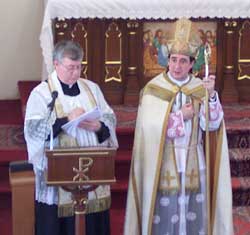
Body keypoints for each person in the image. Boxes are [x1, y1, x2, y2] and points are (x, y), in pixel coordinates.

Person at [124, 18, 233, 235]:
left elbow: (211, 126)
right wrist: (179, 116)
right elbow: (149, 129)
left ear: (192, 64)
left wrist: (211, 96)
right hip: (163, 160)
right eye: (173, 60)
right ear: (167, 60)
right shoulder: (154, 89)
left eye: (183, 61)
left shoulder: (199, 88)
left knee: (193, 213)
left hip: (194, 160)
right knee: (165, 214)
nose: (177, 66)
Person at [24, 40, 118, 235]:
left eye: (78, 67)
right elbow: (33, 130)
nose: (75, 73)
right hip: (58, 175)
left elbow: (109, 116)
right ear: (56, 64)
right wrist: (66, 119)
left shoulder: (91, 88)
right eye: (70, 68)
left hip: (93, 171)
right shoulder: (42, 94)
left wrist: (100, 126)